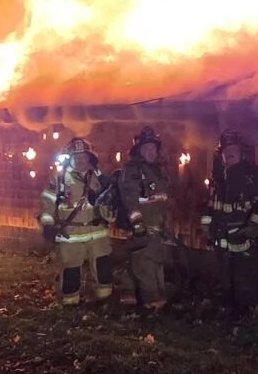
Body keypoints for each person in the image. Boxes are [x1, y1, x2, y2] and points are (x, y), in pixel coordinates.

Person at [201, 129, 258, 317]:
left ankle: (252, 314)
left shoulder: (254, 175)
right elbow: (210, 205)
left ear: (242, 152)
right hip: (224, 240)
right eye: (226, 151)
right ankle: (230, 312)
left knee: (248, 279)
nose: (230, 154)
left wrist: (253, 228)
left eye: (233, 149)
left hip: (246, 241)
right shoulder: (219, 178)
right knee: (226, 279)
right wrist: (206, 225)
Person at [36, 136, 113, 307]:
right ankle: (70, 302)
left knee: (102, 269)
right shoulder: (60, 177)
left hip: (97, 233)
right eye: (76, 157)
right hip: (71, 235)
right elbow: (47, 201)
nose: (80, 161)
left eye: (84, 157)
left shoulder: (99, 178)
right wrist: (48, 223)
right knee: (71, 269)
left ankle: (105, 300)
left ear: (90, 158)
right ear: (70, 158)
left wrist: (105, 209)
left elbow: (111, 203)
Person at [117, 125, 172, 313]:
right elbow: (129, 198)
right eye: (146, 148)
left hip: (156, 227)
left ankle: (132, 296)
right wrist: (137, 223)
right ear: (139, 151)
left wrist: (164, 224)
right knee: (145, 263)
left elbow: (162, 201)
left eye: (153, 148)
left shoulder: (158, 170)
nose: (150, 151)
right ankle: (152, 303)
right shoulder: (132, 170)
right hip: (141, 227)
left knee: (153, 261)